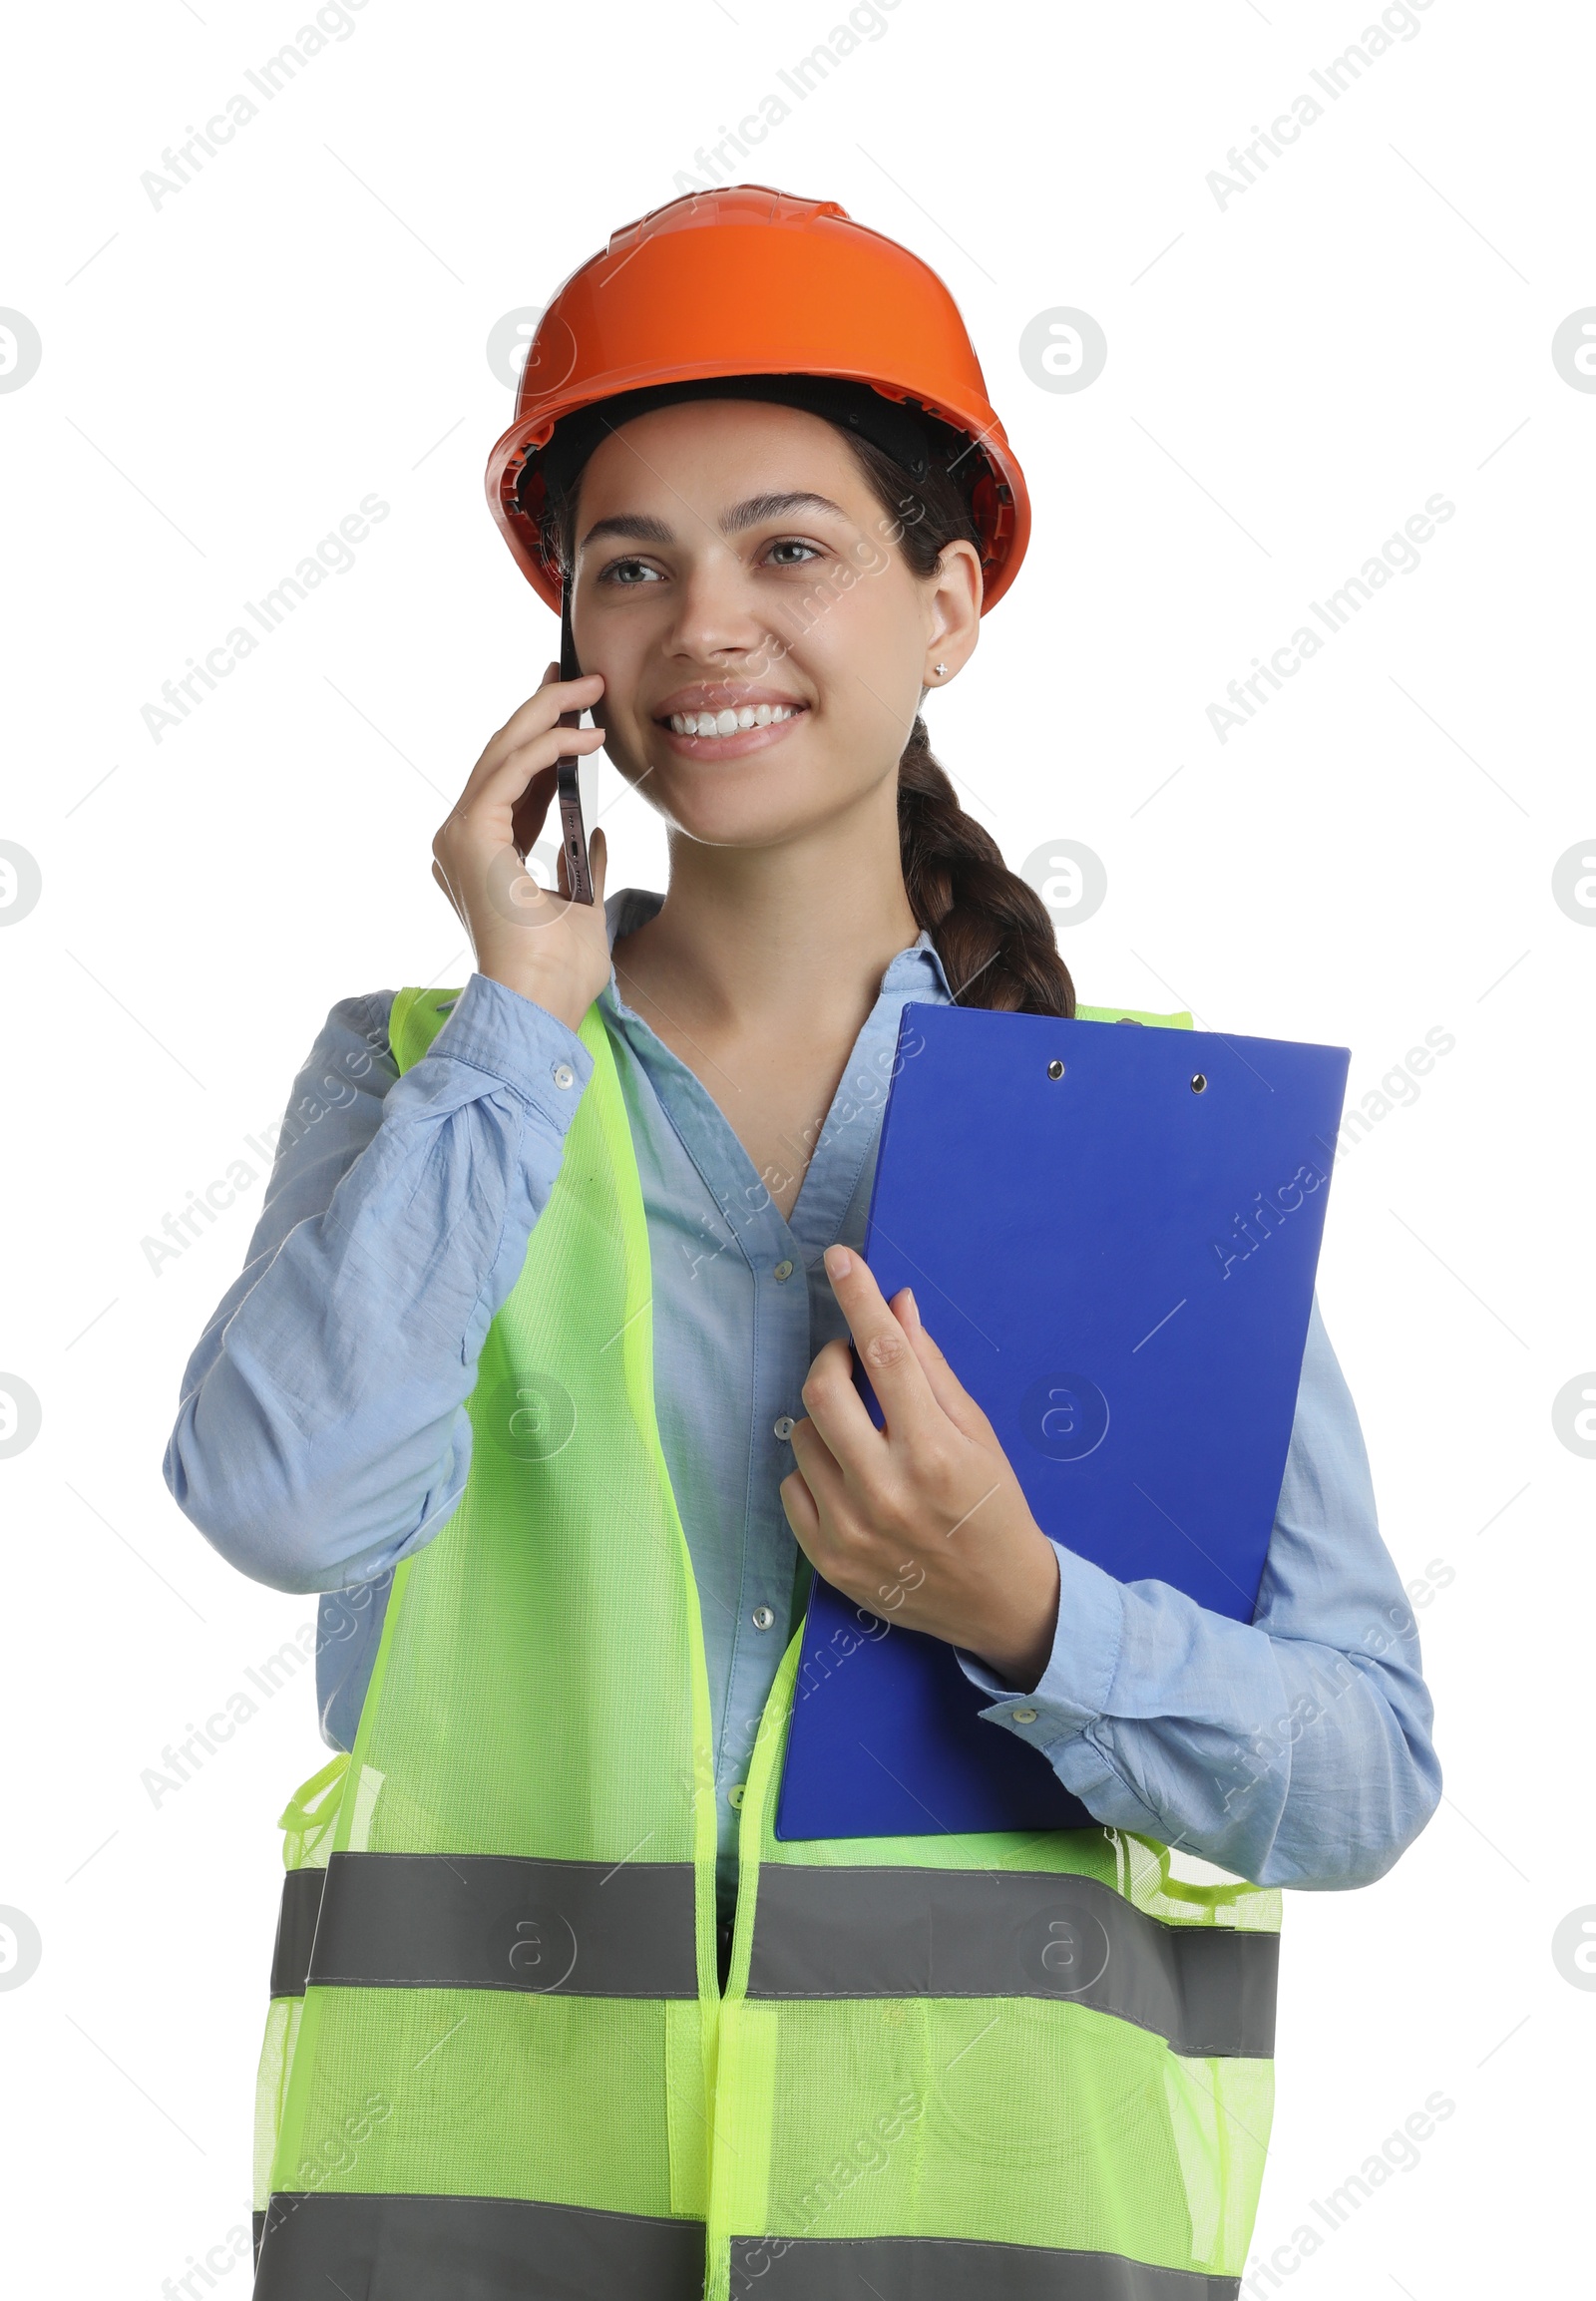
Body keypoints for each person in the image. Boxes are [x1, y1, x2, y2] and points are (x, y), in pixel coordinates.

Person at [165, 186, 1439, 2301]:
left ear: (946, 603)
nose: (702, 624)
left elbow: (1362, 1768)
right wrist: (515, 1024)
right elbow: (279, 1497)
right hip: (484, 2235)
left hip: (991, 2247)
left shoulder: (1141, 1138)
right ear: (567, 633)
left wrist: (1024, 1608)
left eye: (789, 548)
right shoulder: (427, 1080)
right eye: (628, 564)